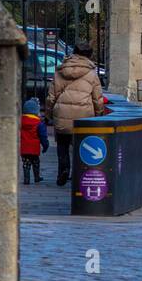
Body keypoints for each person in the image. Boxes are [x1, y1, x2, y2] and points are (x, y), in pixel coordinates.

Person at [44, 42, 105, 186]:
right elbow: (97, 98)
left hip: (62, 114)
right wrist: (99, 115)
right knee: (81, 147)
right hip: (84, 117)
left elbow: (51, 96)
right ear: (89, 56)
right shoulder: (91, 73)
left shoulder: (60, 70)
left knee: (62, 146)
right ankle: (79, 175)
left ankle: (63, 171)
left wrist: (48, 114)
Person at [19, 97, 49, 184]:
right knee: (36, 163)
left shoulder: (20, 121)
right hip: (34, 149)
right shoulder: (39, 123)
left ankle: (26, 179)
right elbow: (43, 136)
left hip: (24, 149)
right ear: (36, 111)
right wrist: (45, 145)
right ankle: (37, 177)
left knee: (26, 164)